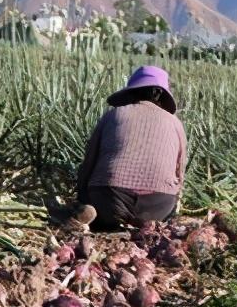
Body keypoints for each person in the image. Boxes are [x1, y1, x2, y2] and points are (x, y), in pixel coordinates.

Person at [74, 65, 186, 230]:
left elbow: (89, 161)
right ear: (159, 94)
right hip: (157, 207)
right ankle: (153, 223)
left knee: (98, 211)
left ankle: (97, 219)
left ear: (131, 92)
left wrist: (82, 198)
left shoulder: (113, 115)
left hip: (109, 202)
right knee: (168, 202)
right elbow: (180, 173)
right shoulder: (175, 123)